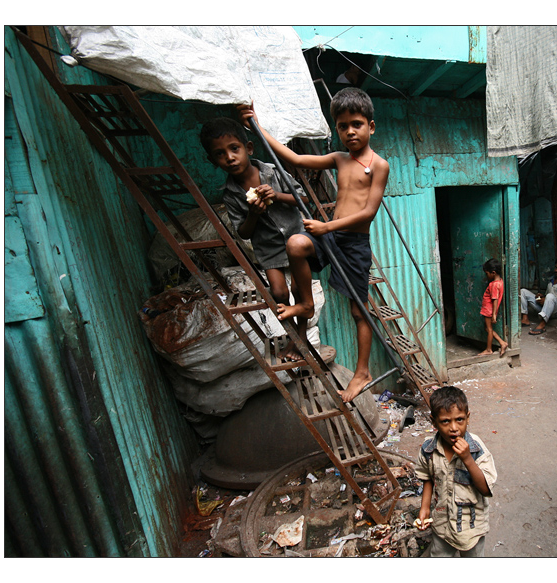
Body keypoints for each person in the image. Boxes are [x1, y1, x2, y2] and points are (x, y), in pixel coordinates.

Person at [239, 88, 389, 403]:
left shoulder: (379, 165)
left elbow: (368, 212)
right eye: (343, 126)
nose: (350, 131)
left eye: (357, 124)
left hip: (354, 241)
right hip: (330, 234)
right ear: (336, 129)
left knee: (359, 311)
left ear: (371, 127)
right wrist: (256, 125)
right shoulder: (338, 158)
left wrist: (326, 225)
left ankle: (362, 373)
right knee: (295, 244)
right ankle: (306, 304)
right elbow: (293, 158)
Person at [199, 116, 308, 361]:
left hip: (296, 237)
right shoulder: (230, 194)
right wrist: (253, 213)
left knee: (298, 289)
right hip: (267, 248)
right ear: (212, 161)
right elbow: (244, 233)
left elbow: (303, 199)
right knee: (279, 294)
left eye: (234, 149)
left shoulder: (272, 171)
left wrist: (277, 196)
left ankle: (300, 337)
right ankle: (290, 334)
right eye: (220, 154)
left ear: (248, 148)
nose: (229, 157)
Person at [415, 386, 497, 557]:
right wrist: (425, 507)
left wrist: (467, 459)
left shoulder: (476, 449)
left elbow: (485, 489)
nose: (454, 427)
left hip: (471, 527)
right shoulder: (429, 449)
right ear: (434, 421)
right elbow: (428, 478)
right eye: (445, 421)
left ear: (468, 418)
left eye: (459, 419)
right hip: (442, 524)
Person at [526, 258, 557, 335]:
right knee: (523, 292)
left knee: (550, 296)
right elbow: (547, 296)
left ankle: (542, 324)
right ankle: (524, 318)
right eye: (556, 268)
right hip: (545, 308)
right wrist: (542, 296)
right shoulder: (551, 281)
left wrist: (547, 300)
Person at [478, 258, 508, 357]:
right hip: (490, 310)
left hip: (488, 310)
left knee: (489, 329)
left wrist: (494, 314)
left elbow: (495, 300)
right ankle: (502, 343)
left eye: (487, 274)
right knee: (487, 328)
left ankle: (488, 349)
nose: (486, 276)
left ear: (493, 273)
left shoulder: (494, 285)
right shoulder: (500, 282)